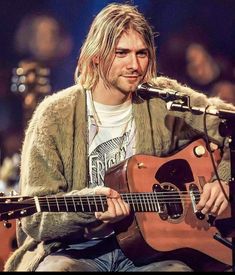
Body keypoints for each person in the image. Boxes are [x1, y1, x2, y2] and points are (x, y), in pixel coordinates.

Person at [4, 3, 233, 272]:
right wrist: (88, 210)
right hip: (74, 251)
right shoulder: (53, 115)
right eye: (121, 53)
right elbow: (34, 219)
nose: (134, 65)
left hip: (152, 253)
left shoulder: (164, 100)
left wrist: (224, 181)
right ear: (97, 56)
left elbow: (228, 124)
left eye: (142, 54)